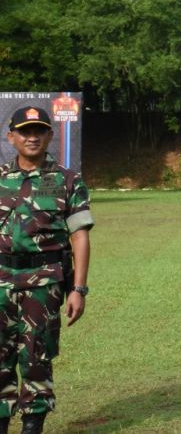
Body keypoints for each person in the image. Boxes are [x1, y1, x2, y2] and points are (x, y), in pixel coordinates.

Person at [0, 107, 93, 434]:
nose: (32, 137)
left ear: (50, 136)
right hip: (0, 281)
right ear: (11, 136)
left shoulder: (67, 181)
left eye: (39, 130)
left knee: (36, 356)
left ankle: (31, 425)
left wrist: (78, 289)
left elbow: (79, 236)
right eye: (24, 131)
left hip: (44, 282)